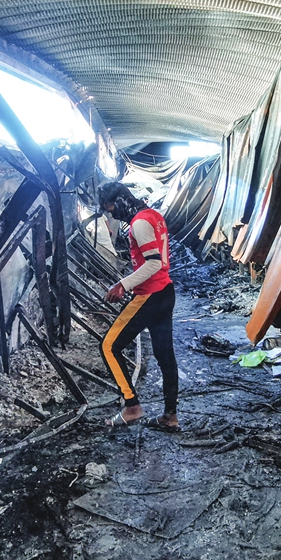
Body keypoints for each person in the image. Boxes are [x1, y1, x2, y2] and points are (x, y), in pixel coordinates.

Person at [97, 181, 179, 431]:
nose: (112, 214)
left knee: (109, 346)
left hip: (150, 295)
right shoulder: (154, 216)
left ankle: (132, 406)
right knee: (165, 355)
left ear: (121, 201)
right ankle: (170, 416)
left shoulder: (139, 223)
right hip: (165, 291)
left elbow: (153, 262)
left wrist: (123, 284)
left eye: (111, 208)